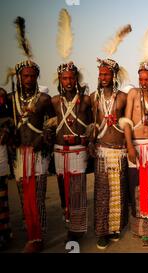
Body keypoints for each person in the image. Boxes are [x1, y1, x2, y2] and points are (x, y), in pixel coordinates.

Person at [6, 17, 55, 253]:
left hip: (38, 155)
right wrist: (9, 133)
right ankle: (30, 235)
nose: (29, 79)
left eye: (32, 76)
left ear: (36, 77)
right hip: (19, 154)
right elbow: (6, 121)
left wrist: (43, 137)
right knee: (23, 196)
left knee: (38, 196)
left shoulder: (44, 99)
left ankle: (38, 238)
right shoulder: (10, 99)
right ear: (18, 77)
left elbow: (53, 121)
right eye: (25, 76)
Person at [122, 61, 148, 247]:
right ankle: (138, 227)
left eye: (147, 79)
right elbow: (126, 123)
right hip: (136, 146)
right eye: (140, 79)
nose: (143, 82)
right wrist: (129, 146)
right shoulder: (133, 94)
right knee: (136, 186)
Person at [90, 58, 129, 249]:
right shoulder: (93, 97)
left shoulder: (122, 97)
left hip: (119, 151)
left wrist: (129, 146)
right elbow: (94, 123)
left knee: (118, 193)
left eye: (106, 74)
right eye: (101, 74)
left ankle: (115, 229)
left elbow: (127, 124)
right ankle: (102, 232)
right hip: (102, 150)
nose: (103, 77)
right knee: (102, 193)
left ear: (113, 76)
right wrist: (91, 140)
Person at [51, 61, 91, 242]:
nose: (68, 81)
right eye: (64, 78)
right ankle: (69, 225)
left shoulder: (87, 100)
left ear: (76, 79)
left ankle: (77, 230)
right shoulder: (53, 101)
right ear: (60, 79)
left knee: (77, 190)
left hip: (78, 151)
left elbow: (93, 123)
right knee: (63, 191)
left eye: (71, 78)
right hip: (59, 152)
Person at [0, 87, 14, 250]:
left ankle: (4, 233)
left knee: (1, 198)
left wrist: (6, 130)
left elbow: (10, 121)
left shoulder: (3, 96)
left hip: (1, 152)